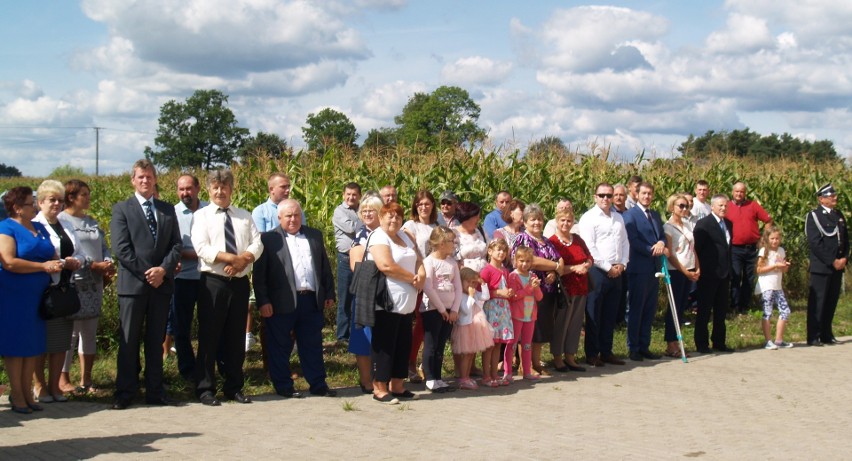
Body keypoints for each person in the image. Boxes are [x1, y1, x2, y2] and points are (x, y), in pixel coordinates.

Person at [110, 159, 182, 410]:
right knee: (129, 341)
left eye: (149, 177)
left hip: (161, 286)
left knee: (155, 341)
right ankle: (125, 391)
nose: (145, 181)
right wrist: (147, 273)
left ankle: (155, 390)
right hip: (133, 287)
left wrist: (163, 270)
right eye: (140, 177)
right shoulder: (122, 209)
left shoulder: (166, 209)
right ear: (133, 180)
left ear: (155, 180)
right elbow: (121, 248)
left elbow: (176, 245)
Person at [191, 169, 263, 406]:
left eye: (224, 187)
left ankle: (234, 387)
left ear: (232, 189)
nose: (220, 191)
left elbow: (257, 243)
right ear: (209, 190)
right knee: (209, 337)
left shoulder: (244, 215)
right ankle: (205, 388)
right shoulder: (202, 216)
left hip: (239, 284)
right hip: (213, 283)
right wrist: (231, 259)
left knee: (235, 338)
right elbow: (202, 248)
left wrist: (244, 259)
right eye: (215, 188)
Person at [253, 199, 336, 399]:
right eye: (288, 216)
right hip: (281, 302)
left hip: (310, 301)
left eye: (296, 215)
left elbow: (324, 268)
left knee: (312, 345)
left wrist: (329, 293)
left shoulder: (314, 235)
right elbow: (259, 275)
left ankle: (318, 384)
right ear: (279, 217)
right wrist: (263, 301)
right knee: (280, 346)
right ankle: (283, 386)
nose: (293, 219)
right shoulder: (268, 239)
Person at [0, 186, 62, 414]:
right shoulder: (6, 227)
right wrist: (42, 266)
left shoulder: (38, 227)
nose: (34, 204)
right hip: (14, 294)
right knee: (16, 346)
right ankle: (17, 395)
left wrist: (58, 261)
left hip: (38, 295)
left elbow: (50, 252)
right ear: (17, 208)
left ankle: (28, 393)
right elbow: (8, 261)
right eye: (29, 202)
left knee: (32, 346)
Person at [58, 180, 115, 394]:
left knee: (89, 333)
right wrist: (93, 264)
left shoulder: (92, 221)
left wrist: (108, 262)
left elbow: (103, 246)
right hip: (74, 282)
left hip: (94, 284)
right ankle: (62, 380)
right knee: (70, 334)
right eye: (84, 194)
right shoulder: (63, 221)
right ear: (71, 197)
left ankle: (86, 380)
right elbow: (69, 250)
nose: (88, 198)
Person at [365, 202, 424, 404]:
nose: (394, 220)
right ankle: (379, 387)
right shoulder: (378, 236)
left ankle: (397, 385)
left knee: (403, 343)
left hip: (407, 301)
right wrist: (412, 278)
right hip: (386, 300)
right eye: (389, 216)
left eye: (397, 216)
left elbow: (418, 260)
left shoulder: (406, 236)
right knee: (385, 344)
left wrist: (421, 275)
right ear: (380, 219)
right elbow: (386, 265)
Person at [32, 180, 84, 403]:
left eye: (60, 200)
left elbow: (80, 252)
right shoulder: (34, 225)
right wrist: (62, 262)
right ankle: (39, 385)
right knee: (41, 342)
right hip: (42, 290)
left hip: (64, 289)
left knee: (61, 342)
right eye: (51, 200)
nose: (56, 204)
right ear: (40, 201)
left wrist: (76, 261)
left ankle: (55, 386)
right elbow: (34, 254)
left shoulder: (66, 225)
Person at [578, 183, 629, 367]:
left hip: (617, 271)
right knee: (594, 313)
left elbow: (625, 242)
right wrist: (608, 267)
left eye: (609, 195)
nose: (606, 199)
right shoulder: (588, 218)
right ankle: (592, 353)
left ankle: (606, 351)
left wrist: (622, 263)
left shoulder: (618, 218)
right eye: (602, 195)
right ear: (595, 196)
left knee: (610, 313)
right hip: (598, 271)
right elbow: (589, 247)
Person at [511, 204, 563, 375]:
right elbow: (531, 261)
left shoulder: (546, 241)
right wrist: (554, 265)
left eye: (539, 219)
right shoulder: (522, 239)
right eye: (532, 219)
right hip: (527, 291)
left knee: (540, 328)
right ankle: (524, 366)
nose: (537, 222)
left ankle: (536, 363)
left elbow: (559, 264)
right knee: (527, 328)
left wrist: (554, 273)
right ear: (525, 222)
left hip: (545, 292)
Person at [165, 174, 207, 381]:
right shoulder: (172, 214)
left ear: (198, 188)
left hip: (209, 278)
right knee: (182, 327)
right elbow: (172, 247)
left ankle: (207, 366)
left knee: (210, 325)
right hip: (183, 279)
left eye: (189, 188)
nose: (185, 193)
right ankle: (187, 369)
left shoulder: (210, 210)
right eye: (181, 189)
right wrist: (203, 254)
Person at [250, 172, 299, 352]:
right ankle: (269, 363)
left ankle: (287, 358)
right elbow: (260, 243)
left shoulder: (295, 208)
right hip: (270, 271)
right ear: (271, 189)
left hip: (292, 269)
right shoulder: (260, 212)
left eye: (288, 186)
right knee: (269, 320)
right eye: (283, 187)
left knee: (291, 319)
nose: (288, 190)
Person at [623, 182, 667, 362]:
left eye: (650, 193)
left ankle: (644, 345)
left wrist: (662, 243)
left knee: (649, 309)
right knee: (636, 309)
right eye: (644, 193)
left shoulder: (655, 215)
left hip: (653, 269)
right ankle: (633, 348)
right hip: (638, 268)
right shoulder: (630, 215)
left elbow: (661, 236)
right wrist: (651, 249)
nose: (647, 196)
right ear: (637, 194)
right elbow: (632, 240)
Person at [348, 194, 385, 393]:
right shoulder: (361, 235)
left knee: (382, 337)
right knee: (363, 337)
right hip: (365, 292)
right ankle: (365, 380)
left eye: (372, 210)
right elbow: (357, 266)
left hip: (386, 293)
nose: (368, 213)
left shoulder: (388, 234)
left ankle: (381, 377)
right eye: (364, 211)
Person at [548, 208, 592, 372]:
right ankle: (558, 357)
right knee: (562, 323)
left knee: (575, 324)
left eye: (569, 221)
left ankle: (570, 356)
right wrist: (574, 268)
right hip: (564, 289)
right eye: (562, 221)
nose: (566, 224)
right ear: (557, 222)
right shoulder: (553, 241)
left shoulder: (578, 240)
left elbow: (589, 257)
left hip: (581, 287)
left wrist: (586, 265)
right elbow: (555, 267)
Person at [805, 183, 848, 346]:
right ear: (822, 199)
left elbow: (845, 240)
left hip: (838, 266)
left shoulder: (838, 215)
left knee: (831, 301)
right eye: (831, 196)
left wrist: (844, 258)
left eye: (835, 195)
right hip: (822, 267)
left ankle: (826, 333)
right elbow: (815, 243)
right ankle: (813, 335)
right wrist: (832, 260)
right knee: (818, 302)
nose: (835, 197)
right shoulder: (814, 216)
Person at [401, 189, 437, 383]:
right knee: (414, 322)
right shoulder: (410, 226)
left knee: (427, 325)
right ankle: (409, 362)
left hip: (436, 279)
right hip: (418, 278)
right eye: (420, 204)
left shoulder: (437, 226)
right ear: (415, 206)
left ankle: (426, 363)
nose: (424, 207)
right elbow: (411, 251)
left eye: (427, 203)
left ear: (433, 206)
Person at [421, 226, 461, 393]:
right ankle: (429, 377)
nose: (454, 244)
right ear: (441, 243)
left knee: (441, 345)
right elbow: (428, 287)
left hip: (449, 310)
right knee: (431, 343)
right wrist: (441, 309)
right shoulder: (429, 262)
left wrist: (454, 309)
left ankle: (438, 377)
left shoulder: (452, 262)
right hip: (433, 310)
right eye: (452, 241)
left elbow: (458, 287)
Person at [693, 194, 735, 354]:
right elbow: (697, 249)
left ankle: (719, 341)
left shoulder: (729, 224)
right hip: (708, 274)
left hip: (724, 274)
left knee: (721, 310)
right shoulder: (704, 224)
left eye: (725, 205)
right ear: (712, 207)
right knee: (704, 310)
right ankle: (701, 344)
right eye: (720, 205)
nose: (723, 208)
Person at [663, 194, 700, 357]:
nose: (685, 209)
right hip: (676, 271)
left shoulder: (688, 225)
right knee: (674, 307)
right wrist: (685, 271)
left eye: (686, 206)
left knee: (682, 306)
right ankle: (671, 343)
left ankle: (677, 340)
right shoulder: (668, 227)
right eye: (681, 206)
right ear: (672, 207)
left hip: (690, 269)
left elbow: (693, 248)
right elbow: (670, 254)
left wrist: (697, 268)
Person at [728, 182, 772, 313]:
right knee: (735, 277)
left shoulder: (753, 205)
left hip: (752, 248)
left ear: (745, 193)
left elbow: (768, 220)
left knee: (749, 278)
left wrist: (764, 238)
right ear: (732, 192)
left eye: (741, 191)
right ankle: (734, 306)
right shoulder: (727, 206)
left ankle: (744, 306)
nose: (739, 194)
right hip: (734, 249)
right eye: (736, 191)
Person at [451, 267, 494, 390]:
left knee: (471, 353)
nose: (472, 285)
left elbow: (486, 296)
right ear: (461, 282)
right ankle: (463, 378)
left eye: (474, 282)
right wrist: (470, 296)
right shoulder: (460, 295)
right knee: (467, 354)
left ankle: (467, 376)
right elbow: (465, 310)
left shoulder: (474, 293)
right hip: (465, 327)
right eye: (469, 282)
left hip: (475, 327)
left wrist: (483, 284)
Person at [479, 239, 514, 387]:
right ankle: (486, 375)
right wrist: (499, 292)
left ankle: (495, 374)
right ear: (490, 251)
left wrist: (509, 292)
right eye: (498, 249)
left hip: (503, 310)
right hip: (492, 309)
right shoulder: (486, 270)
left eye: (504, 250)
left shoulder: (505, 271)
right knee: (490, 344)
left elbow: (507, 288)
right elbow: (481, 291)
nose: (501, 253)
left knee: (498, 344)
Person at [332, 182, 362, 342]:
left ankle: (355, 333)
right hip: (345, 259)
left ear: (359, 196)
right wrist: (364, 222)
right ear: (344, 195)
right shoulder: (339, 211)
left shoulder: (363, 210)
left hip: (361, 260)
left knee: (359, 298)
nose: (351, 197)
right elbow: (352, 228)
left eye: (354, 195)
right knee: (345, 298)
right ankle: (342, 336)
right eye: (348, 194)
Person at [507, 247, 543, 381]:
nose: (524, 264)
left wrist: (537, 287)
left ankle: (527, 370)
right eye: (521, 261)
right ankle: (508, 371)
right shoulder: (513, 276)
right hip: (516, 315)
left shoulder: (532, 276)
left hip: (530, 315)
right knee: (512, 344)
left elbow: (539, 297)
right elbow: (513, 296)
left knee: (527, 344)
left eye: (528, 261)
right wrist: (529, 288)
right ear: (515, 261)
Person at [755, 225, 793, 349]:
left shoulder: (781, 250)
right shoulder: (764, 251)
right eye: (772, 238)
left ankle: (779, 339)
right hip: (767, 286)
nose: (775, 241)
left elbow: (784, 269)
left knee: (785, 311)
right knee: (768, 312)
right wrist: (774, 266)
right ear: (767, 239)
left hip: (778, 286)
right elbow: (759, 269)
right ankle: (768, 341)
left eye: (777, 238)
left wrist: (784, 266)